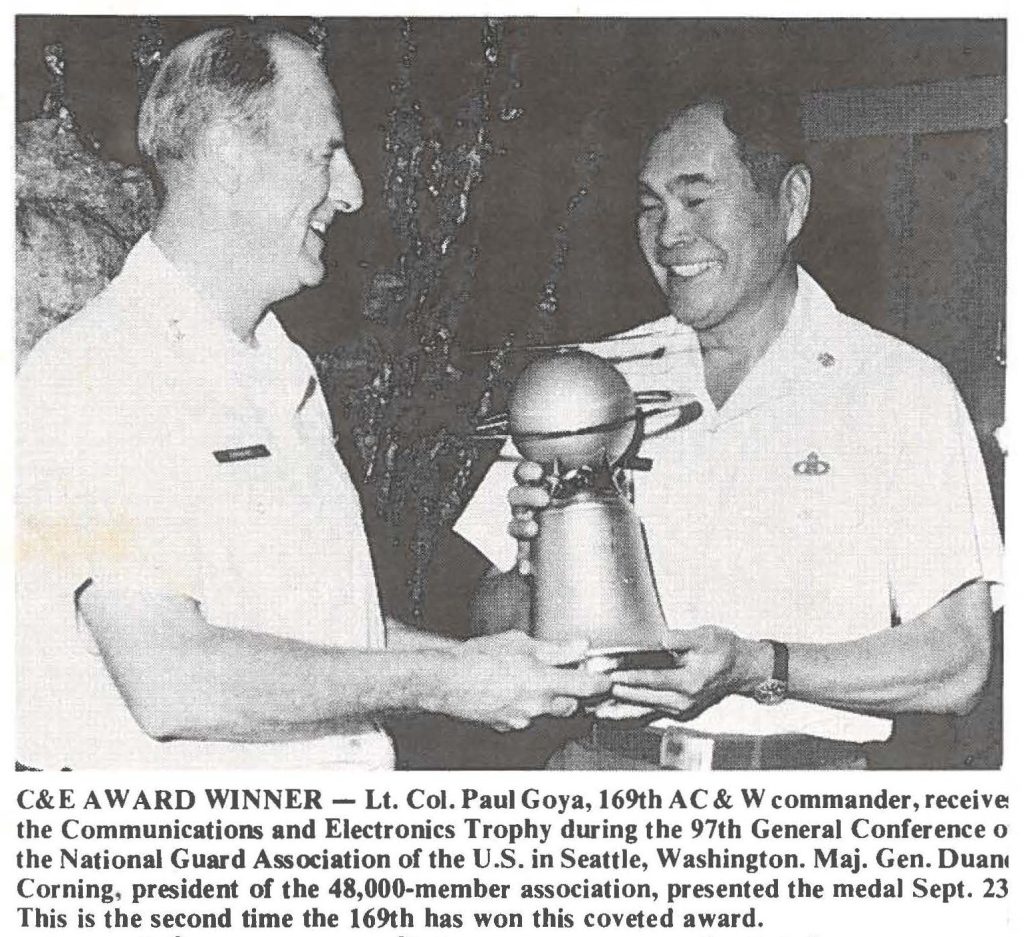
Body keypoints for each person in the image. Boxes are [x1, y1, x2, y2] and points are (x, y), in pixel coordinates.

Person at [15, 25, 608, 770]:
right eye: (325, 154)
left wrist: (499, 665)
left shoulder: (279, 367)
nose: (353, 192)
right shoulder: (103, 374)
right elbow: (172, 679)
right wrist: (447, 680)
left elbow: (326, 633)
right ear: (230, 157)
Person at [455, 92, 1003, 770]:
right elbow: (492, 631)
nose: (668, 234)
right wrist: (529, 561)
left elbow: (958, 662)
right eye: (650, 205)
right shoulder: (584, 387)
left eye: (696, 199)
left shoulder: (899, 388)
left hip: (802, 806)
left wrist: (757, 665)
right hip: (597, 778)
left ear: (791, 202)